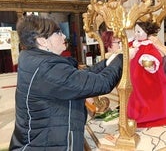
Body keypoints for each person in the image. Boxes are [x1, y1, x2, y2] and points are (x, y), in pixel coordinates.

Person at [9, 15, 123, 151]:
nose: (64, 37)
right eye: (58, 33)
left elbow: (77, 77)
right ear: (42, 41)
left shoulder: (35, 60)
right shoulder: (47, 69)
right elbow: (101, 83)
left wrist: (107, 62)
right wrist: (122, 57)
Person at [127, 21, 166, 128]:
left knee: (149, 97)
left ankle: (151, 115)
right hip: (136, 76)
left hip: (149, 77)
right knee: (137, 95)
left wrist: (150, 63)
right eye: (135, 31)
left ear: (147, 33)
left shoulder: (149, 45)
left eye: (139, 31)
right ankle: (137, 113)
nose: (136, 34)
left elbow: (155, 55)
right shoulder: (133, 43)